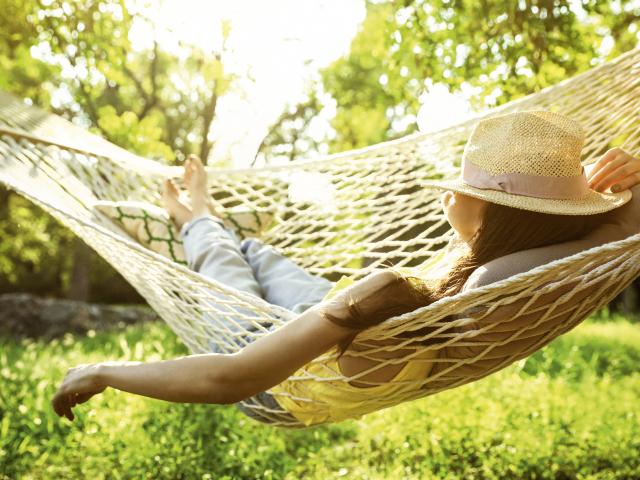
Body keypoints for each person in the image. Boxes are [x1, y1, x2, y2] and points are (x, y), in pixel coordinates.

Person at [51, 111, 640, 426]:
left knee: (219, 268)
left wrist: (105, 370)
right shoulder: (538, 267)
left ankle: (195, 219)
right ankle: (224, 225)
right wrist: (603, 219)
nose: (447, 197)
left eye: (459, 189)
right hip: (351, 314)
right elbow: (577, 242)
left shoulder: (479, 286)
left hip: (271, 365)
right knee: (262, 256)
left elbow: (228, 379)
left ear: (494, 216)